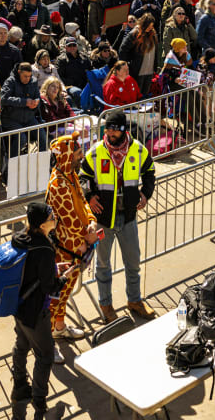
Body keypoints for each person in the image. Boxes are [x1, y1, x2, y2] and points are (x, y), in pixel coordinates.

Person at [79, 110, 155, 323]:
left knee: (133, 263)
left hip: (128, 216)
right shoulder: (96, 152)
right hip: (104, 219)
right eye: (108, 129)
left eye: (115, 129)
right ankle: (106, 305)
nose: (111, 133)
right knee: (103, 266)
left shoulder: (138, 150)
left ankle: (135, 301)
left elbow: (150, 171)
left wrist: (145, 193)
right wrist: (90, 195)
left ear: (124, 130)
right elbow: (82, 176)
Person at [8, 203, 62, 420]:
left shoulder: (20, 238)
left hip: (18, 305)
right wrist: (63, 278)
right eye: (51, 216)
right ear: (42, 224)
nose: (55, 217)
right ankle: (40, 402)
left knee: (21, 345)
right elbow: (50, 287)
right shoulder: (45, 250)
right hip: (35, 310)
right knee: (45, 355)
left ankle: (20, 384)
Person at [43, 134, 98, 342]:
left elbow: (83, 202)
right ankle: (47, 342)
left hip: (78, 246)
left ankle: (59, 326)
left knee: (65, 294)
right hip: (66, 250)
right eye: (77, 153)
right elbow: (68, 219)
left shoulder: (71, 175)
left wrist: (91, 220)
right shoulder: (58, 184)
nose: (81, 156)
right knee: (55, 297)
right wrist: (87, 233)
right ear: (66, 156)